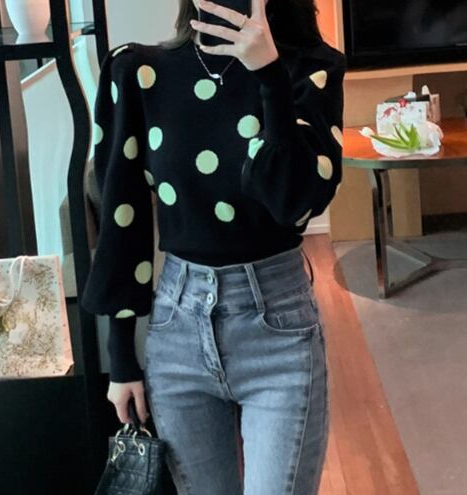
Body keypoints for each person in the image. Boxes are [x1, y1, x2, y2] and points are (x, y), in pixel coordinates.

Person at [81, 0, 346, 493]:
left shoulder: (311, 69)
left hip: (278, 328)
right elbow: (123, 218)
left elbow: (295, 202)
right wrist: (121, 358)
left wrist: (268, 74)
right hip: (176, 333)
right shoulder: (139, 72)